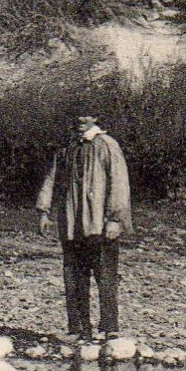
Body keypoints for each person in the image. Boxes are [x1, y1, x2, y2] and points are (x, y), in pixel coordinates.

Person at [36, 114, 132, 342]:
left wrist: (116, 219)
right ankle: (78, 328)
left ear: (95, 117)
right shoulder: (67, 148)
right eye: (76, 115)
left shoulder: (107, 145)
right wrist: (44, 211)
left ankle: (110, 328)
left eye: (86, 115)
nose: (80, 120)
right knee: (74, 276)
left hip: (100, 224)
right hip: (71, 224)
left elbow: (119, 183)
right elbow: (52, 179)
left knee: (105, 276)